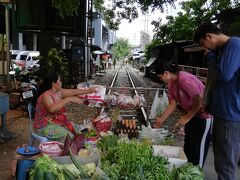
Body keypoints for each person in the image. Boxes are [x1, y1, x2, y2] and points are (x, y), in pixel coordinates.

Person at [194, 22, 240, 180]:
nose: (204, 48)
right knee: (221, 162)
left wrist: (211, 57)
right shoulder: (224, 49)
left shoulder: (234, 45)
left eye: (203, 44)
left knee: (225, 165)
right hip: (223, 113)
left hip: (230, 114)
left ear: (209, 36)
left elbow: (224, 74)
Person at [153, 61, 213, 168]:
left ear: (166, 73)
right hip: (192, 116)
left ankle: (197, 174)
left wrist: (186, 117)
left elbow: (199, 101)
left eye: (160, 76)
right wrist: (160, 120)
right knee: (188, 145)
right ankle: (187, 172)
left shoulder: (185, 79)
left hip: (203, 117)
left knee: (197, 148)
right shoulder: (171, 84)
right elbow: (172, 103)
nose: (160, 79)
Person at [33, 72, 96, 143]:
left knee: (80, 128)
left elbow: (72, 92)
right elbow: (52, 109)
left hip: (55, 121)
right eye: (59, 80)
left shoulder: (58, 92)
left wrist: (89, 91)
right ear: (53, 84)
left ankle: (81, 146)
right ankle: (68, 151)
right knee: (69, 137)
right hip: (44, 126)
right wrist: (68, 99)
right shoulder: (46, 96)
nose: (61, 82)